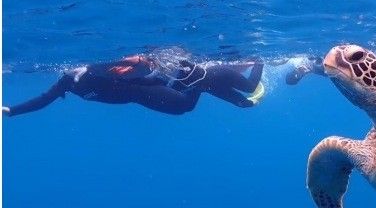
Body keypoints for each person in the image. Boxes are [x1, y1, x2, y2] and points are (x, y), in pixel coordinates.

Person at [2, 54, 265, 117]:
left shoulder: (97, 66)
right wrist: (11, 111)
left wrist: (143, 61)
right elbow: (42, 100)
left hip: (146, 88)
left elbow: (137, 64)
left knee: (185, 104)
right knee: (185, 108)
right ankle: (204, 80)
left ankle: (206, 77)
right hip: (140, 96)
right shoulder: (65, 83)